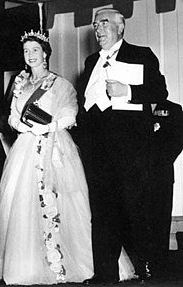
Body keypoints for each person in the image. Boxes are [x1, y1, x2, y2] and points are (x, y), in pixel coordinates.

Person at [0, 30, 94, 285]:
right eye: (26, 51)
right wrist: (23, 127)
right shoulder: (19, 84)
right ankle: (27, 265)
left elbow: (71, 114)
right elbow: (12, 116)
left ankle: (70, 262)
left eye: (35, 50)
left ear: (45, 54)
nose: (30, 55)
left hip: (55, 146)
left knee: (63, 202)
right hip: (25, 147)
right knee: (20, 203)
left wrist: (49, 127)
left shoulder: (60, 84)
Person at [76, 8, 169, 284]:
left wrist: (127, 91)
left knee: (135, 209)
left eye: (104, 23)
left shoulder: (141, 55)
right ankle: (105, 273)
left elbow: (159, 96)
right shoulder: (91, 61)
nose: (98, 29)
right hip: (98, 152)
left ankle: (147, 267)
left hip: (131, 150)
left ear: (121, 26)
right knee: (102, 214)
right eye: (95, 25)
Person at [149, 100, 183, 277]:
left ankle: (160, 264)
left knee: (161, 217)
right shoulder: (131, 106)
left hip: (162, 172)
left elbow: (178, 139)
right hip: (136, 173)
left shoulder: (174, 109)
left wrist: (160, 162)